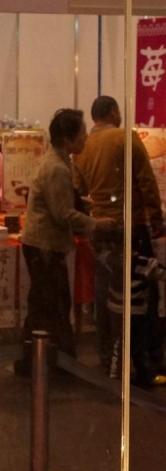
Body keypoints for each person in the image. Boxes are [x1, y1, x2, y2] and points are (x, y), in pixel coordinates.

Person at [74, 95, 164, 380]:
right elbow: (146, 181)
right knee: (143, 293)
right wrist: (157, 220)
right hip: (130, 225)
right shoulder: (125, 137)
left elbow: (79, 188)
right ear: (113, 112)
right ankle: (146, 359)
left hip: (99, 229)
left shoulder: (83, 145)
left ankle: (109, 356)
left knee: (106, 295)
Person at [19, 108, 113, 368]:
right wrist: (96, 224)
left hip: (42, 244)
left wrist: (83, 203)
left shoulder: (60, 161)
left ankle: (41, 360)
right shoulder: (57, 167)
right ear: (67, 139)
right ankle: (48, 362)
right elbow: (62, 214)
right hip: (44, 245)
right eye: (82, 133)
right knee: (51, 304)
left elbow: (62, 201)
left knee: (47, 303)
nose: (86, 138)